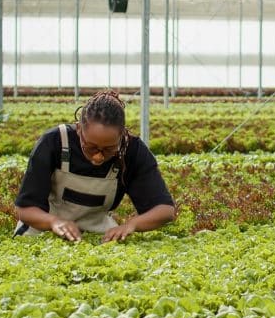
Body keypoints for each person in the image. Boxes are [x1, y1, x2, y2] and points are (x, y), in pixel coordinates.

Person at [14, 90, 176, 242]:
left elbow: (165, 210)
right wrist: (54, 222)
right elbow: (25, 209)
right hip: (43, 231)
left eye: (109, 149)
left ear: (122, 135)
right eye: (91, 147)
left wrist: (130, 225)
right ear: (79, 129)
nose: (98, 156)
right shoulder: (55, 142)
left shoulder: (133, 151)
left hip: (98, 234)